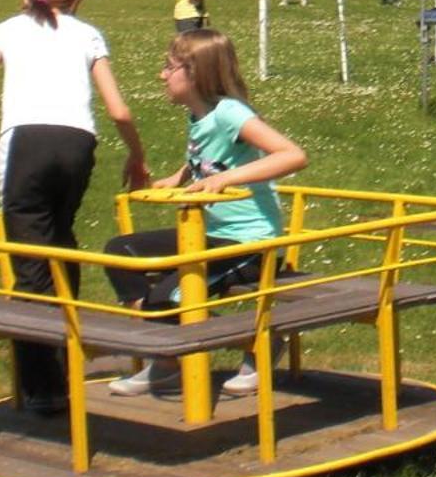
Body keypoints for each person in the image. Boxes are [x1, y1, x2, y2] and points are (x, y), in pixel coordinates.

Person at [0, 0, 148, 414]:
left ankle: (44, 388)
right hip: (77, 142)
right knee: (60, 241)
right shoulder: (87, 34)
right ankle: (65, 357)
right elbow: (119, 111)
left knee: (30, 262)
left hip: (25, 142)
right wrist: (137, 154)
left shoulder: (8, 29)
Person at [105, 28, 308, 398]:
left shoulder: (231, 113)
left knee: (165, 298)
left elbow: (293, 155)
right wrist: (177, 178)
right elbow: (207, 161)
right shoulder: (198, 116)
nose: (161, 75)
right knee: (121, 252)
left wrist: (227, 179)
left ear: (194, 73)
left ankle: (259, 341)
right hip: (207, 236)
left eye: (169, 67)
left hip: (250, 244)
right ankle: (167, 360)